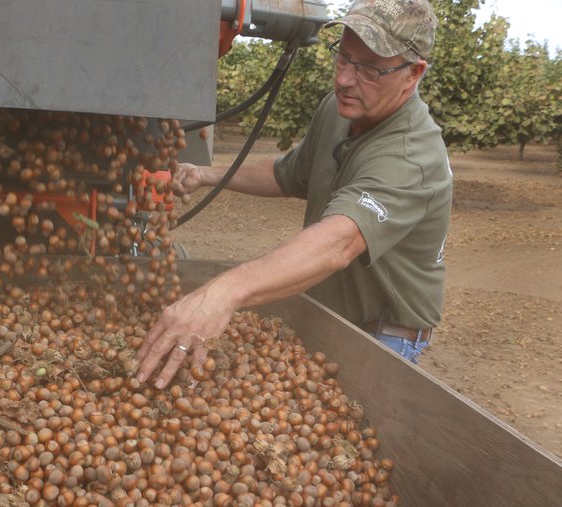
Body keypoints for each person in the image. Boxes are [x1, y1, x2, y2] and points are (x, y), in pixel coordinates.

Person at [135, 0, 452, 389]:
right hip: (326, 312)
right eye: (343, 57)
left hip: (382, 335)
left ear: (413, 73)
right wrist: (206, 174)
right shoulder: (340, 109)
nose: (344, 79)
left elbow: (339, 242)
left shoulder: (411, 155)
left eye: (369, 68)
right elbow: (288, 174)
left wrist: (222, 293)